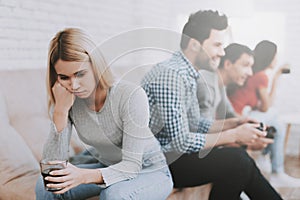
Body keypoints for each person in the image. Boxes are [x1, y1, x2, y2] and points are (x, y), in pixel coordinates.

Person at [141, 10, 282, 200]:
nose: (222, 53)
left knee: (238, 164)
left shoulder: (186, 73)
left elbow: (194, 124)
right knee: (237, 161)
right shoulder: (171, 75)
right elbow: (180, 142)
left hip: (171, 156)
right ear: (194, 44)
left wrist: (234, 124)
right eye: (217, 45)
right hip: (158, 163)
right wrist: (235, 135)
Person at [35, 28, 173, 200]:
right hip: (106, 164)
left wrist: (83, 176)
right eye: (64, 77)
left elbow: (131, 166)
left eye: (80, 74)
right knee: (46, 187)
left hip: (148, 169)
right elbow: (51, 169)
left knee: (114, 195)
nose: (74, 85)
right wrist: (60, 112)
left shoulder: (130, 96)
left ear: (96, 66)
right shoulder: (65, 99)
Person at [227, 40, 300, 187]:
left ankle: (266, 158)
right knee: (275, 118)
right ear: (270, 56)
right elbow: (266, 107)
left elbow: (260, 107)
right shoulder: (261, 76)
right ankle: (276, 171)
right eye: (276, 56)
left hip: (237, 114)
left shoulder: (255, 74)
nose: (277, 60)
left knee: (275, 119)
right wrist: (277, 76)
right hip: (235, 117)